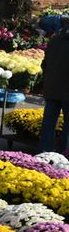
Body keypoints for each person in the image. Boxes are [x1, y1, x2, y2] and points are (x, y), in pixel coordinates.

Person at [40, 20, 69, 155]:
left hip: (51, 88)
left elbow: (44, 64)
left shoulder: (55, 40)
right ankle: (64, 154)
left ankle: (45, 151)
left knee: (49, 122)